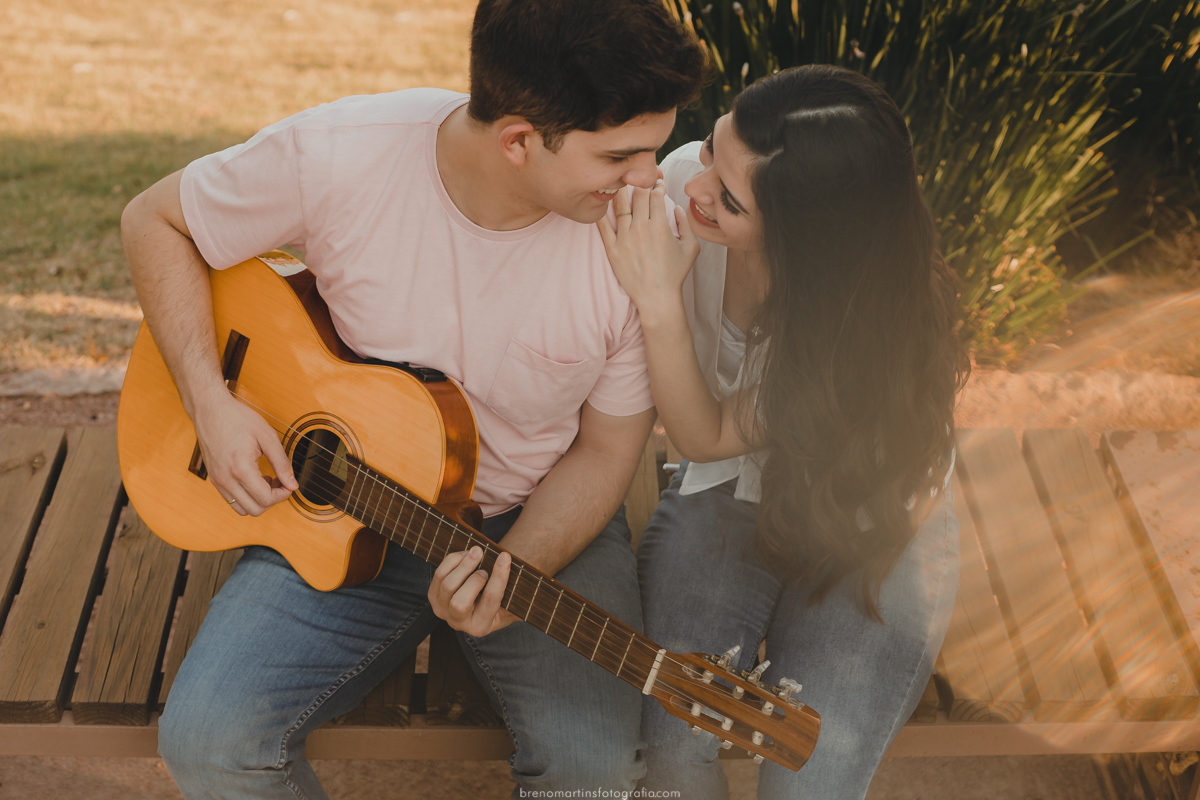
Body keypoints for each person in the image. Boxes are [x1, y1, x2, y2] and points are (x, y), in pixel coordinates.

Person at [120, 1, 705, 797]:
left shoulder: (641, 241)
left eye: (656, 149)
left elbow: (605, 451)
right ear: (518, 141)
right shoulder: (340, 155)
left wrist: (516, 569)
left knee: (592, 775)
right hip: (339, 502)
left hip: (536, 514)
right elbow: (154, 220)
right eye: (621, 156)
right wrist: (210, 400)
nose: (648, 179)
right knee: (209, 743)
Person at [597, 64, 969, 799]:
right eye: (713, 147)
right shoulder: (686, 185)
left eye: (731, 200)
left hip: (871, 520)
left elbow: (704, 431)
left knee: (810, 782)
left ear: (807, 239)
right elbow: (709, 452)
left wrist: (658, 300)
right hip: (726, 493)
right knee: (670, 750)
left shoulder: (858, 328)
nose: (694, 186)